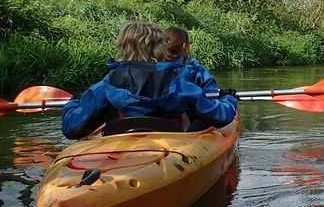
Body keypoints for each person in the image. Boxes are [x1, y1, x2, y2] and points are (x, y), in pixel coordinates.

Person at [62, 22, 237, 139]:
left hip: (120, 146)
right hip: (171, 145)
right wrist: (229, 99)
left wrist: (73, 101)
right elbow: (221, 115)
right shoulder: (178, 83)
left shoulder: (108, 83)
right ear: (158, 47)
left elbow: (72, 128)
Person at [165, 26, 218, 92]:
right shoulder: (196, 71)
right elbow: (213, 93)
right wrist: (229, 97)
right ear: (184, 46)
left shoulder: (153, 68)